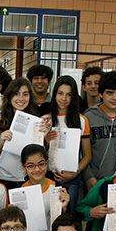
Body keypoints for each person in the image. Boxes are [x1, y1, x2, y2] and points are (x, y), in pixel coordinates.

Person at [0, 78, 52, 189]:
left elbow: (41, 155)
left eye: (25, 94)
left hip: (31, 180)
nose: (21, 98)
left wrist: (45, 138)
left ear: (30, 97)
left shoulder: (37, 122)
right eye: (16, 94)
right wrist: (1, 143)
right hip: (4, 180)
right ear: (9, 97)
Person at [45, 75, 93, 210]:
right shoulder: (46, 120)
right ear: (54, 94)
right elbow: (38, 153)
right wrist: (46, 141)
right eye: (60, 93)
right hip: (49, 176)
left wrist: (75, 172)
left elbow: (88, 155)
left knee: (70, 215)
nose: (64, 98)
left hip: (72, 177)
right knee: (51, 215)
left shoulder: (82, 120)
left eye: (69, 95)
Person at [20, 144, 70, 231]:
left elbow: (69, 223)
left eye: (41, 164)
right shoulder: (18, 192)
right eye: (31, 166)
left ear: (47, 164)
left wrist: (65, 207)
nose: (37, 169)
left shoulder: (58, 188)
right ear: (24, 168)